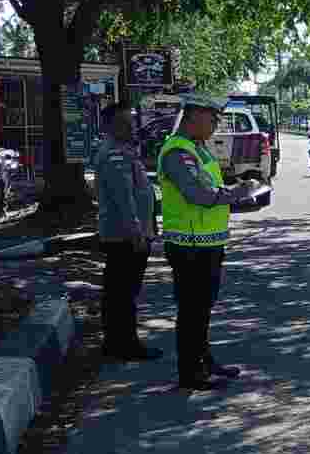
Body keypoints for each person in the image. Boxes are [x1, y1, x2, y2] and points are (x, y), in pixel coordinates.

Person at [158, 93, 263, 390]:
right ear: (193, 117)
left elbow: (211, 188)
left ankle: (204, 361)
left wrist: (236, 192)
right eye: (212, 118)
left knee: (202, 308)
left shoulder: (196, 148)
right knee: (192, 310)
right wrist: (239, 193)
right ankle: (190, 373)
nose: (216, 124)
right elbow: (199, 195)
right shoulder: (177, 152)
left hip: (206, 243)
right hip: (189, 245)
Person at [93, 102, 162, 361]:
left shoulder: (123, 150)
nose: (131, 126)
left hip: (127, 233)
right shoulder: (114, 153)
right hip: (124, 236)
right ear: (110, 126)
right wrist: (137, 234)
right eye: (125, 122)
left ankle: (118, 342)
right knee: (123, 294)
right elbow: (124, 198)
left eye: (132, 121)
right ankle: (124, 345)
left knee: (121, 292)